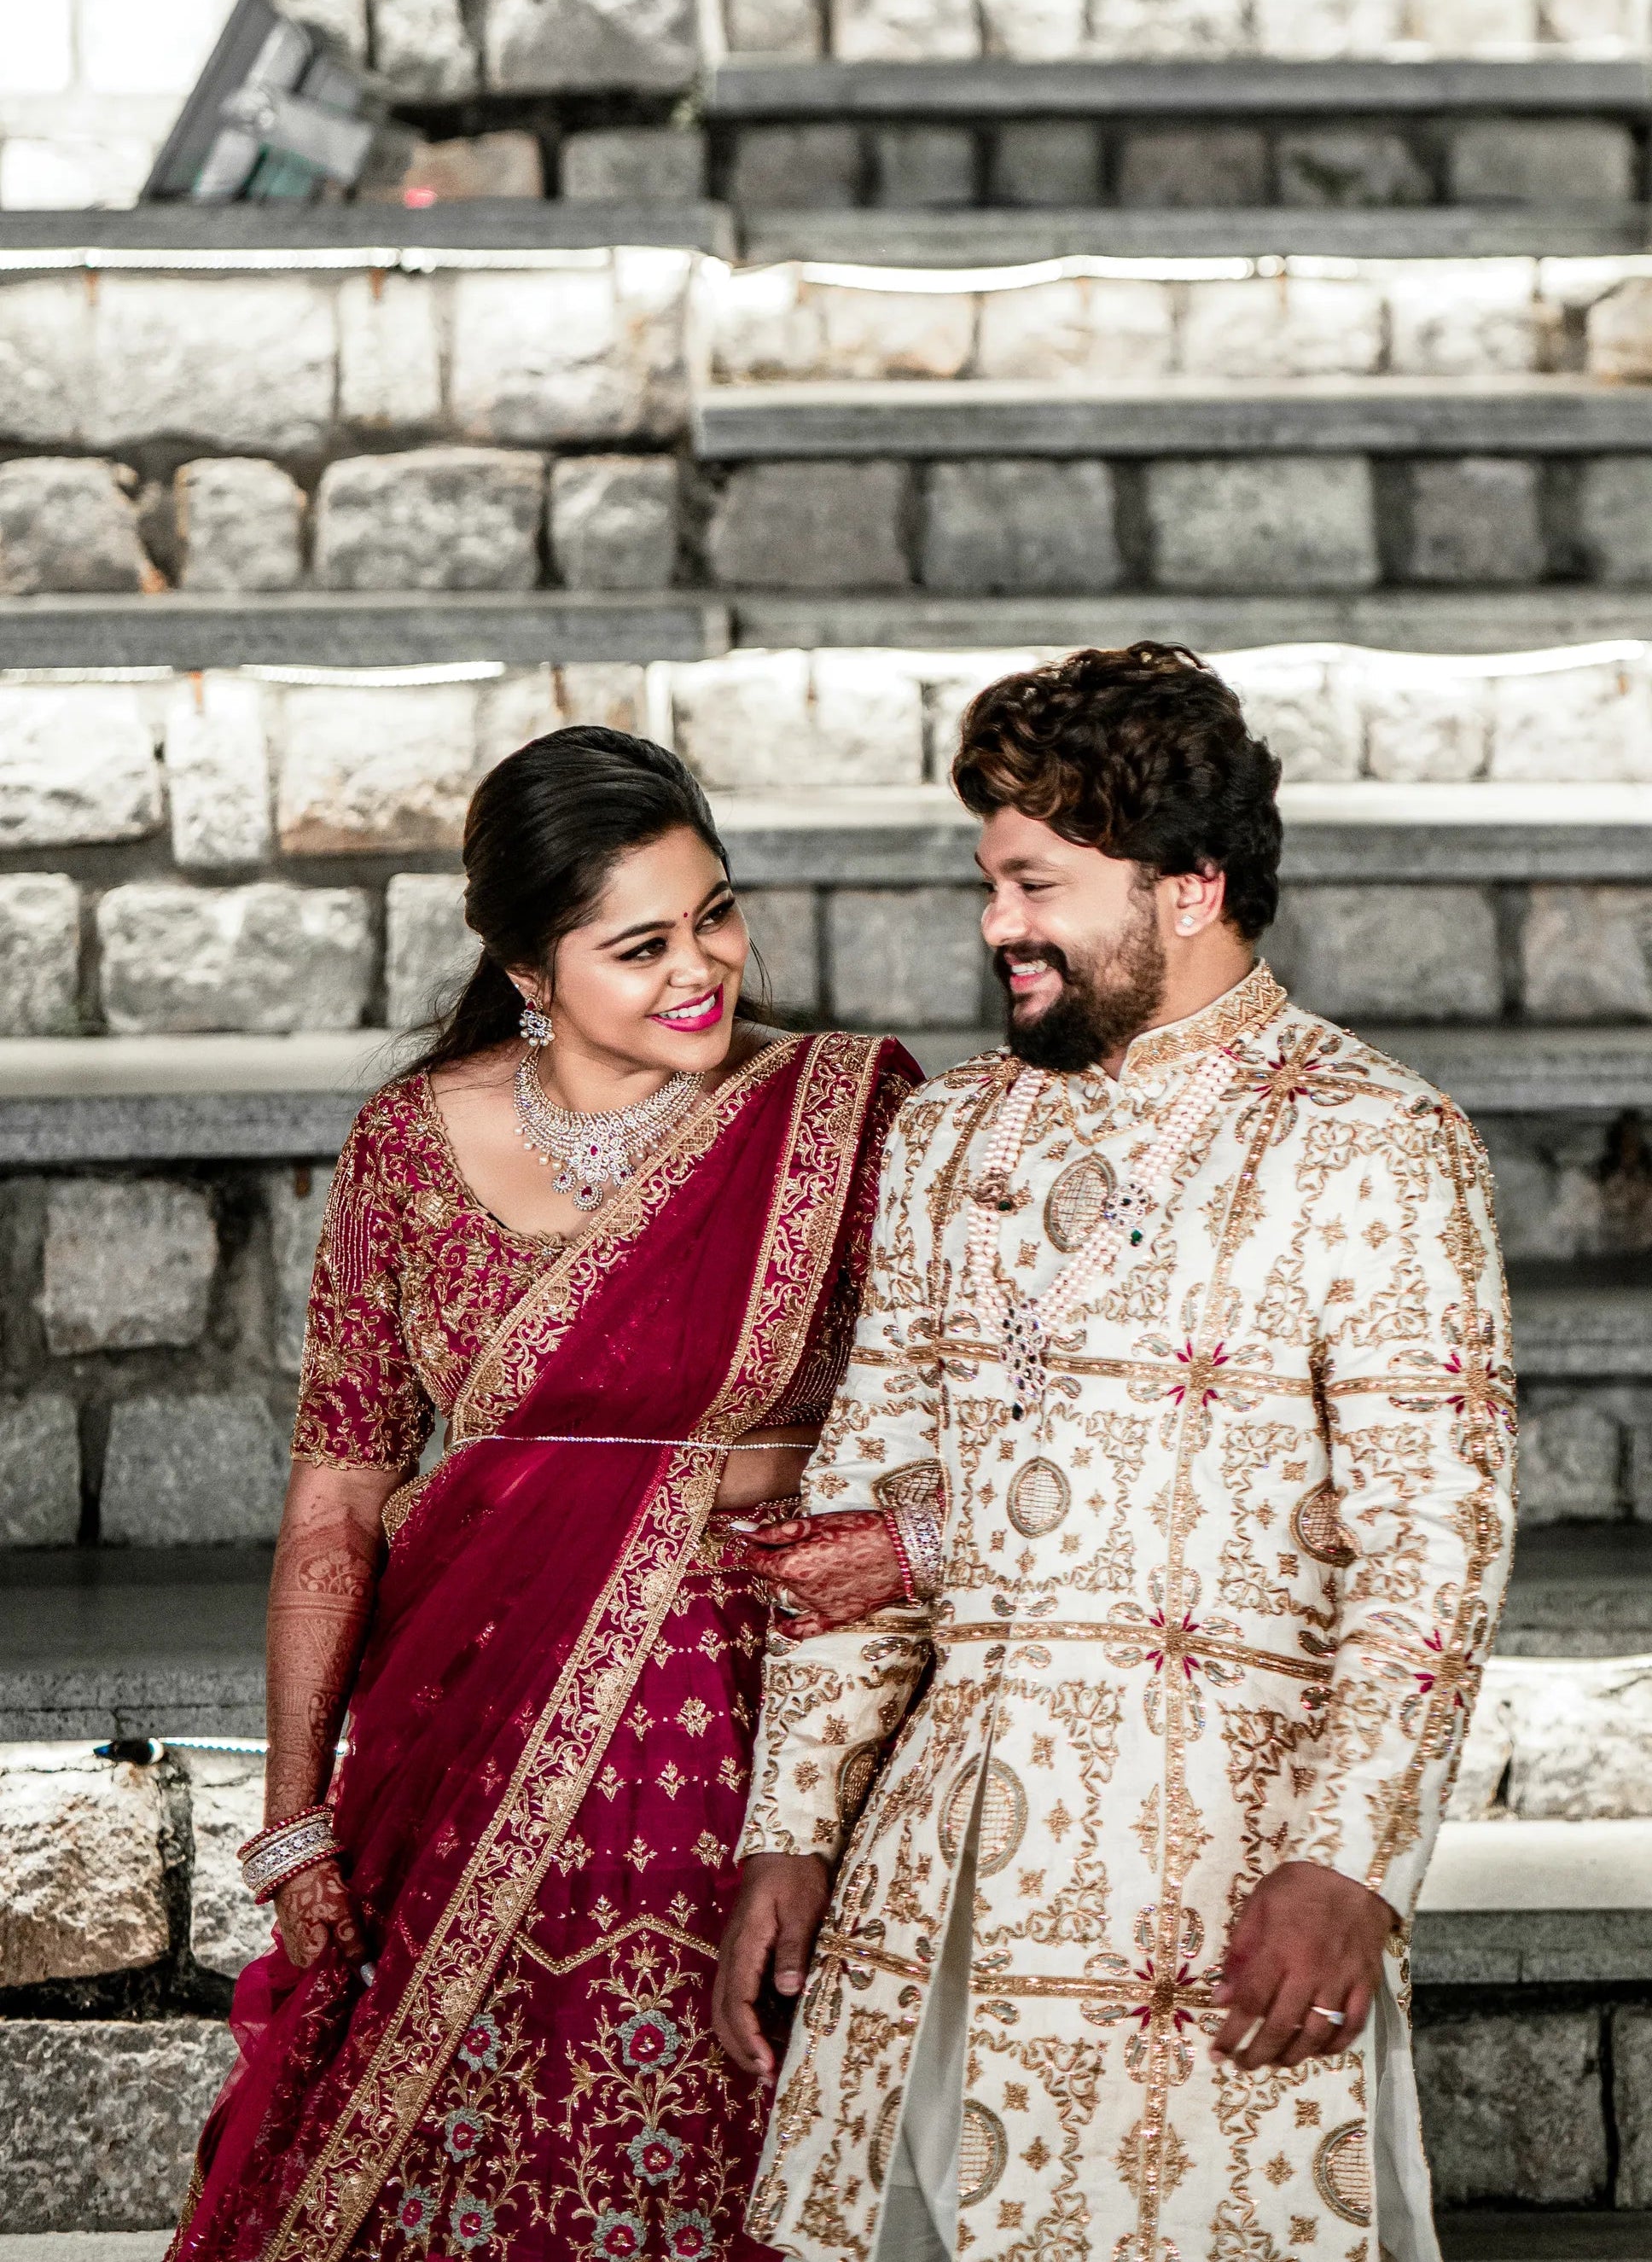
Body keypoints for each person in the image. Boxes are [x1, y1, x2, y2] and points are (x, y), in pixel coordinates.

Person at [712, 642, 1515, 2262]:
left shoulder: (1376, 1141)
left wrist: (1348, 1860)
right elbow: (861, 1512)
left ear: (1191, 883)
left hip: (1223, 1871)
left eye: (1037, 884)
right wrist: (792, 1824)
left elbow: (1434, 1545)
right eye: (989, 883)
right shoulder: (951, 1138)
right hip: (943, 1872)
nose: (997, 923)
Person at [174, 726, 917, 2262]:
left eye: (716, 912)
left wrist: (909, 1542)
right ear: (529, 970)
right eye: (640, 946)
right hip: (471, 1714)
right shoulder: (408, 1143)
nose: (702, 968)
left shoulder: (844, 1114)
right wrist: (293, 1815)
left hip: (761, 1717)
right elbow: (337, 1498)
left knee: (732, 2124)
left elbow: (964, 1421)